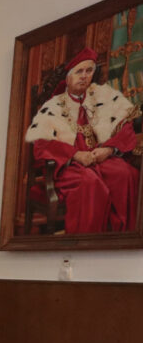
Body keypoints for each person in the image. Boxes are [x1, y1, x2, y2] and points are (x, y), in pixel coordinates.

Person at [25, 47, 139, 234]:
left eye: (89, 71)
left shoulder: (103, 97)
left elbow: (124, 128)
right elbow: (42, 143)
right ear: (68, 77)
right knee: (91, 183)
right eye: (79, 71)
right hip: (68, 166)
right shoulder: (54, 106)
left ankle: (120, 238)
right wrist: (75, 154)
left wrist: (108, 150)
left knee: (125, 174)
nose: (84, 76)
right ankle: (86, 241)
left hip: (99, 159)